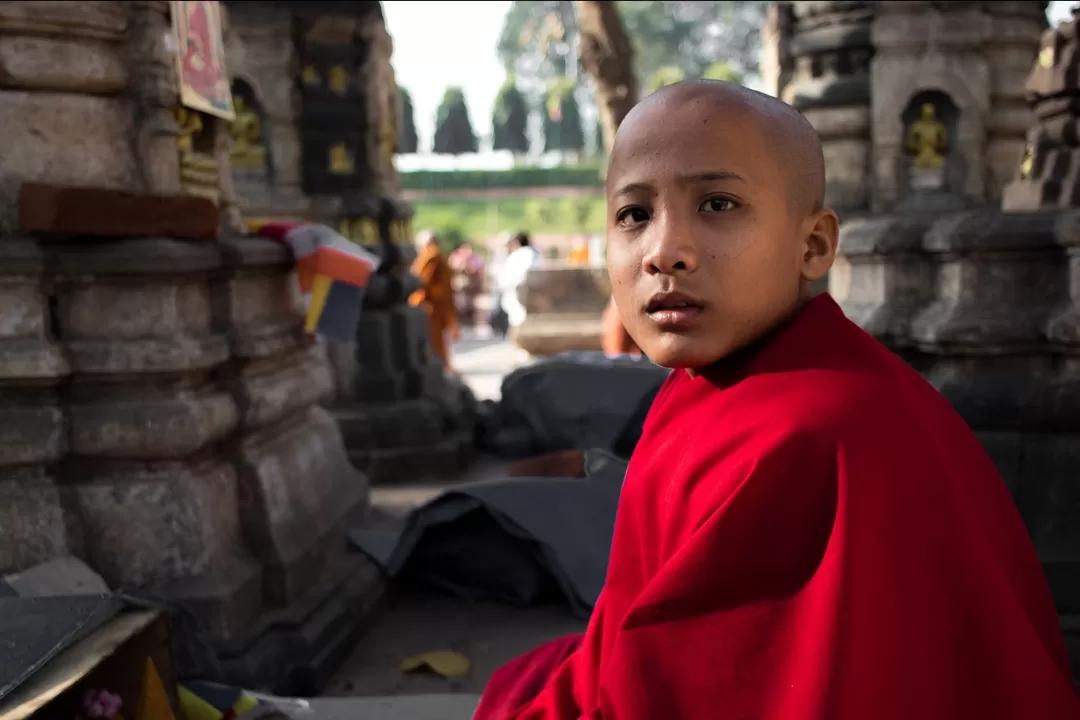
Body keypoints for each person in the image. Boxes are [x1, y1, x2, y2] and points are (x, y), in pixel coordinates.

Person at [474, 80, 1080, 719]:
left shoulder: (808, 437)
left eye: (717, 203)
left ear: (813, 245)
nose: (665, 253)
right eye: (634, 214)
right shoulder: (710, 383)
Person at [408, 230, 459, 369]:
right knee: (438, 341)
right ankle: (443, 366)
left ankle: (440, 368)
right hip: (441, 305)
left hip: (430, 305)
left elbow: (420, 280)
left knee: (433, 341)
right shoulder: (441, 256)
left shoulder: (431, 255)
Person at [493, 231, 541, 332]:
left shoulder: (517, 256)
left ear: (517, 243)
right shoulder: (536, 254)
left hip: (516, 291)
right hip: (535, 291)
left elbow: (505, 278)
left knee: (517, 315)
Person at [449, 241, 485, 326]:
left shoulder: (476, 258)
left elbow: (478, 270)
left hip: (471, 286)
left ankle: (470, 321)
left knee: (470, 304)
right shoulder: (456, 256)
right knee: (459, 304)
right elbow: (452, 267)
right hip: (459, 285)